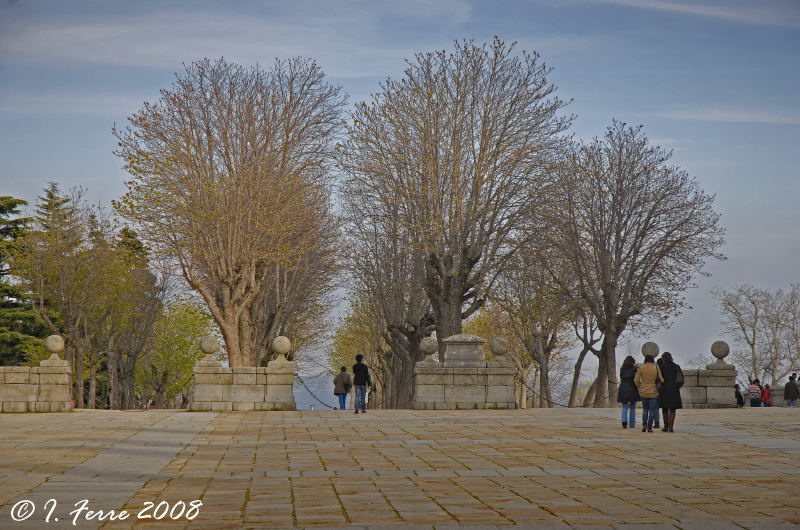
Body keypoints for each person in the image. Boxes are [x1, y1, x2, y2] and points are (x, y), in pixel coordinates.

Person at [634, 354, 663, 432]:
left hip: (643, 391)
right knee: (652, 410)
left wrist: (640, 387)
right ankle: (649, 427)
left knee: (645, 409)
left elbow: (636, 380)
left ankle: (644, 425)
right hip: (654, 391)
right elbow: (661, 379)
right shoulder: (656, 367)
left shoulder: (641, 368)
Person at [658, 352, 683, 432]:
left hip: (664, 390)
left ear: (664, 358)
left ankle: (665, 427)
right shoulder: (676, 366)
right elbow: (681, 379)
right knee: (672, 410)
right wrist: (677, 387)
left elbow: (658, 379)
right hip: (674, 390)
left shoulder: (661, 367)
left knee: (664, 409)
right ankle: (671, 427)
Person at [617, 355, 640, 429]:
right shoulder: (634, 369)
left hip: (623, 387)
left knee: (624, 406)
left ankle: (624, 421)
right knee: (632, 407)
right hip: (632, 388)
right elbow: (636, 379)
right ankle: (632, 424)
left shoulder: (622, 369)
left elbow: (621, 377)